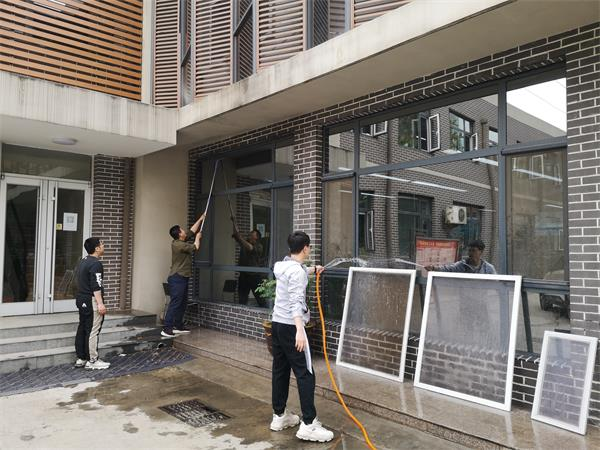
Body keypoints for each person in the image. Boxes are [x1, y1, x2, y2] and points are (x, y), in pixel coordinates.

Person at [270, 231, 334, 443]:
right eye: (310, 247)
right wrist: (299, 330)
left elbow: (296, 273)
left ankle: (279, 416)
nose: (310, 249)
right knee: (306, 374)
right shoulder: (296, 272)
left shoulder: (282, 266)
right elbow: (296, 301)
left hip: (277, 324)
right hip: (292, 327)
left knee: (280, 370)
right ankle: (309, 424)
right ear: (305, 248)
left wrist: (313, 269)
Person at [162, 213, 205, 337]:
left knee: (182, 302)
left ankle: (178, 325)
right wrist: (198, 237)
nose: (184, 231)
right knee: (176, 302)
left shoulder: (181, 240)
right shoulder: (178, 245)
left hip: (182, 277)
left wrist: (201, 219)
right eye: (182, 230)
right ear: (179, 234)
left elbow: (191, 231)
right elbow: (196, 247)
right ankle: (167, 328)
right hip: (177, 277)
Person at [74, 237, 110, 370]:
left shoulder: (82, 261)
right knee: (93, 330)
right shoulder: (96, 264)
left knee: (83, 327)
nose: (104, 246)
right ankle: (93, 360)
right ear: (97, 248)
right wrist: (100, 304)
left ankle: (81, 358)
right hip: (91, 300)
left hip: (81, 298)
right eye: (102, 244)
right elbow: (96, 285)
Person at [231, 218, 267, 306]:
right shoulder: (245, 243)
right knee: (242, 299)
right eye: (250, 234)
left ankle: (265, 312)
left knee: (261, 299)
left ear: (257, 237)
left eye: (252, 235)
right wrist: (234, 222)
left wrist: (240, 237)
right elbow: (236, 234)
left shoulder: (259, 246)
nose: (249, 235)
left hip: (254, 276)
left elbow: (250, 248)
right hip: (244, 275)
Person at [425, 239, 496, 274]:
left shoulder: (488, 268)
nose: (470, 253)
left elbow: (496, 283)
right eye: (469, 250)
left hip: (481, 298)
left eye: (473, 251)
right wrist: (434, 268)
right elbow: (448, 268)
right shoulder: (462, 265)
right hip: (464, 298)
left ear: (481, 252)